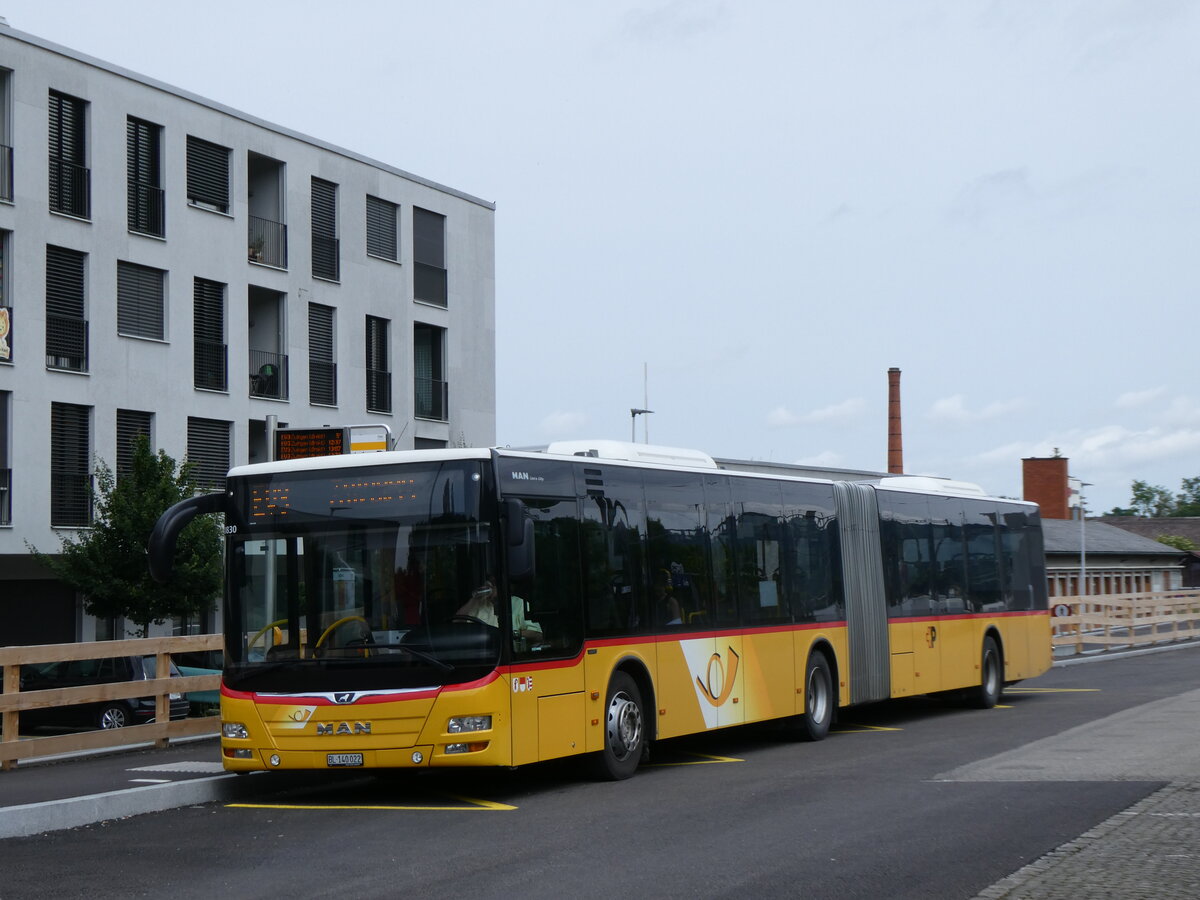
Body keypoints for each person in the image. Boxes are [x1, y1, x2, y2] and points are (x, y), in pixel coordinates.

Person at [457, 578, 543, 641]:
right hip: (481, 654)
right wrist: (474, 599)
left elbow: (537, 635)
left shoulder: (519, 603)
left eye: (494, 584)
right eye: (488, 583)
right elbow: (456, 624)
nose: (490, 587)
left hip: (508, 655)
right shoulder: (477, 603)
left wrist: (512, 634)